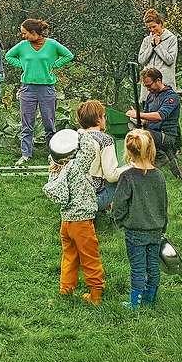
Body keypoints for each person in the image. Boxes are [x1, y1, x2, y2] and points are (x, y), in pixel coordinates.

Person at [43, 128, 104, 305]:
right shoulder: (76, 167)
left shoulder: (55, 170)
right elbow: (89, 150)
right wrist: (82, 133)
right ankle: (96, 293)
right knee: (89, 257)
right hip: (82, 223)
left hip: (66, 222)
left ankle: (66, 289)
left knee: (69, 256)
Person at [5, 18, 74, 166]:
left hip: (47, 89)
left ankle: (53, 155)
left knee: (49, 123)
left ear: (34, 32)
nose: (23, 36)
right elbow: (8, 56)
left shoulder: (52, 45)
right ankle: (25, 154)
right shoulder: (23, 46)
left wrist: (55, 64)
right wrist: (23, 65)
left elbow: (69, 55)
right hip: (27, 89)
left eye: (25, 33)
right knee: (27, 124)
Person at [112, 130, 168, 309]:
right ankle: (150, 300)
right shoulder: (159, 176)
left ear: (128, 152)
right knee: (153, 265)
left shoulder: (127, 177)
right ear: (151, 149)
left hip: (135, 231)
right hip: (155, 230)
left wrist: (121, 221)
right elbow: (163, 203)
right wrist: (162, 225)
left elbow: (119, 204)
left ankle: (135, 304)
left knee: (137, 267)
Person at [126, 67, 182, 180]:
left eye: (149, 85)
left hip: (167, 136)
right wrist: (138, 120)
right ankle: (156, 159)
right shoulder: (150, 96)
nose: (148, 88)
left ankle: (158, 158)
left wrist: (138, 114)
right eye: (145, 86)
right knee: (135, 133)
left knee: (141, 136)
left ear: (158, 80)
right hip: (153, 133)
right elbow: (147, 117)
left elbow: (160, 116)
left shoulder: (171, 97)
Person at [78, 100, 125, 214]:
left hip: (75, 196)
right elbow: (111, 176)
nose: (105, 119)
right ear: (98, 119)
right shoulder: (104, 140)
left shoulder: (77, 136)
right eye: (104, 116)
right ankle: (118, 213)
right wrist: (131, 167)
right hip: (93, 200)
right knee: (123, 177)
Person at [137, 9, 178, 100]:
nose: (152, 30)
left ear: (160, 24)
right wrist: (151, 46)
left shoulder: (171, 39)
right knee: (147, 112)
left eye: (154, 26)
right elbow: (141, 60)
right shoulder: (147, 40)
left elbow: (170, 60)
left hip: (164, 83)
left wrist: (158, 46)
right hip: (148, 86)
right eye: (149, 28)